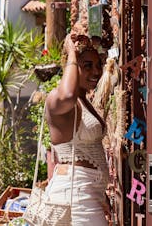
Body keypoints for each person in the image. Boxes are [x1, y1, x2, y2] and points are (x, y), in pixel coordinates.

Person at [44, 34, 109, 225]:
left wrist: (99, 194)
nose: (96, 71)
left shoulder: (84, 102)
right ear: (71, 67)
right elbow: (68, 94)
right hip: (75, 195)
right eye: (87, 66)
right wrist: (71, 52)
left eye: (98, 65)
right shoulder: (57, 100)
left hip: (85, 194)